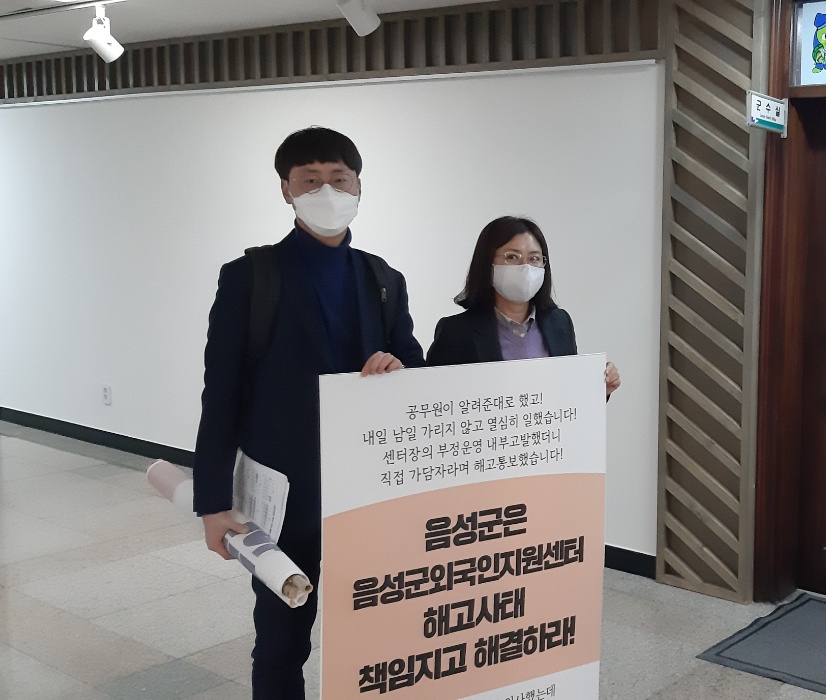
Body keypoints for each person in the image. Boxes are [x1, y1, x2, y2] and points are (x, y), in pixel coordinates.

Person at [192, 127, 425, 699]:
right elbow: (221, 393)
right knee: (282, 636)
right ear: (286, 190)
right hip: (286, 493)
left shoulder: (383, 279)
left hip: (368, 489)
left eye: (339, 179)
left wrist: (398, 366)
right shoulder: (251, 276)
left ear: (359, 186)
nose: (327, 192)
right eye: (310, 180)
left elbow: (414, 367)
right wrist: (212, 503)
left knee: (374, 629)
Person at [426, 216, 620, 396]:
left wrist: (599, 389)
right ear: (487, 263)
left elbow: (568, 394)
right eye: (512, 257)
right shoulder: (456, 331)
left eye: (534, 258)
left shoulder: (559, 323)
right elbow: (436, 401)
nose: (525, 267)